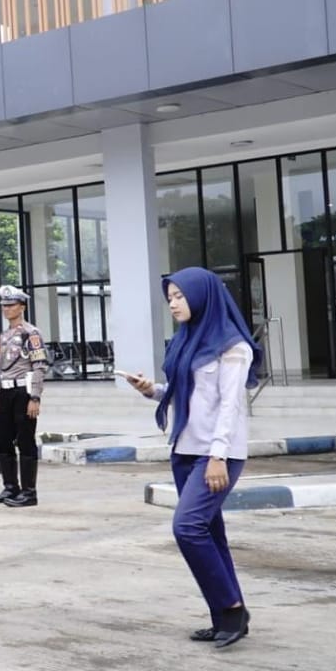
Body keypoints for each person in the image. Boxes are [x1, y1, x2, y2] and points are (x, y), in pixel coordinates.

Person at [124, 267, 263, 649]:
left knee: (187, 528)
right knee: (210, 533)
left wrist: (218, 456)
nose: (172, 303)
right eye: (169, 297)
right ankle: (225, 617)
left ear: (202, 295)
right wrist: (152, 390)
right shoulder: (187, 340)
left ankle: (231, 608)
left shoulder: (234, 347)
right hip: (184, 451)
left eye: (179, 296)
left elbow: (230, 406)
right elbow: (187, 395)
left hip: (216, 455)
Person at [0, 286, 48, 508]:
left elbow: (39, 366)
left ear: (22, 307)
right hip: (6, 392)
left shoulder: (31, 333)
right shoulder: (4, 335)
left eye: (11, 305)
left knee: (25, 441)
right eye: (4, 305)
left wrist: (35, 397)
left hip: (23, 392)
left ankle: (29, 492)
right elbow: (0, 369)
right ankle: (10, 486)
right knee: (2, 442)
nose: (6, 309)